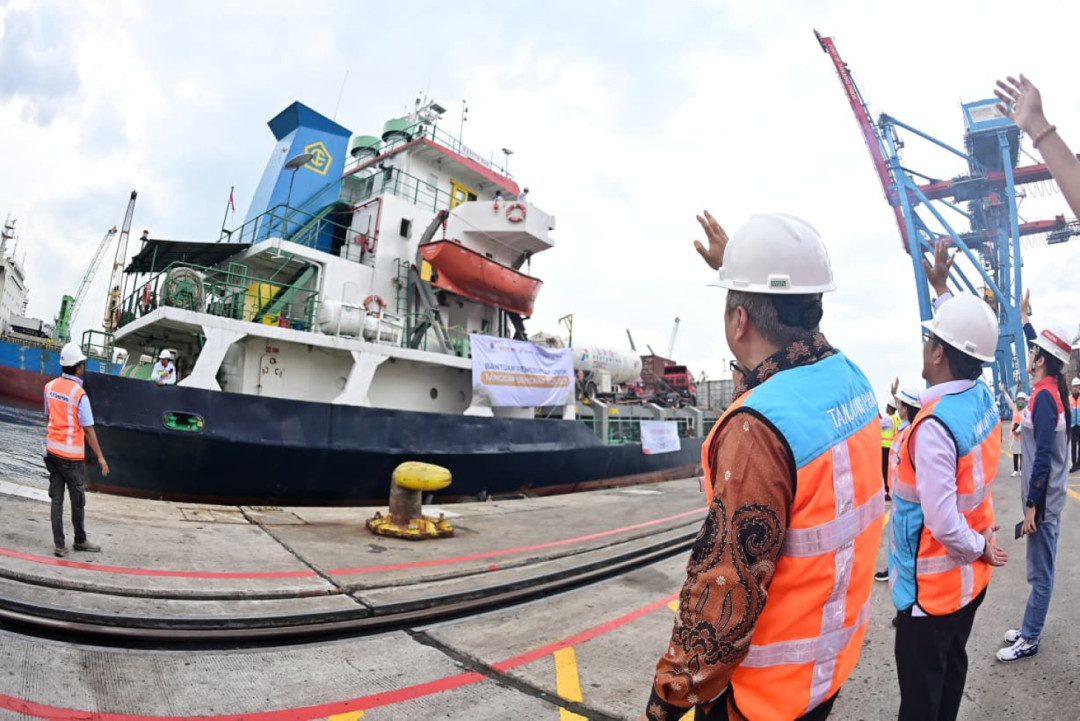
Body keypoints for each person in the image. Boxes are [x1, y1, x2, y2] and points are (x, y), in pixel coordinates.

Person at [642, 212, 884, 721]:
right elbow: (789, 332)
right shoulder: (852, 382)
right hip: (828, 664)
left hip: (765, 699)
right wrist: (743, 267)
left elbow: (723, 594)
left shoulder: (756, 429)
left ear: (738, 322)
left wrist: (668, 699)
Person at [889, 240, 1008, 721]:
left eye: (929, 339)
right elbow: (964, 342)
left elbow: (940, 521)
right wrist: (941, 289)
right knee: (949, 678)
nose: (925, 346)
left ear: (938, 353)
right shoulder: (980, 398)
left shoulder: (934, 427)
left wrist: (980, 546)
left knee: (920, 701)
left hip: (930, 598)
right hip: (968, 588)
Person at [997, 320, 1073, 662]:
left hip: (1043, 501)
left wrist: (1031, 507)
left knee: (1041, 573)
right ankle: (1030, 625)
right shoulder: (1051, 389)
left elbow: (1042, 457)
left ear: (1040, 360)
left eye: (1033, 351)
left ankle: (1030, 638)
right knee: (1039, 569)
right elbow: (1044, 353)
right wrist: (1027, 322)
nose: (1029, 355)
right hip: (1047, 498)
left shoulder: (1044, 398)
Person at [44, 343, 109, 557]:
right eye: (83, 364)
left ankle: (59, 545)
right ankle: (80, 540)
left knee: (56, 500)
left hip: (52, 453)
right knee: (78, 500)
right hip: (71, 458)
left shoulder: (49, 387)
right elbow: (89, 431)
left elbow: (49, 415)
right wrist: (100, 457)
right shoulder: (80, 395)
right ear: (78, 368)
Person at [874, 379, 922, 584]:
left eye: (900, 404)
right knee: (899, 540)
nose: (897, 407)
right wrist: (895, 395)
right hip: (899, 494)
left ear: (905, 408)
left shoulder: (910, 433)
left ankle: (903, 577)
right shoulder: (906, 427)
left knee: (902, 541)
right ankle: (898, 572)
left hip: (906, 499)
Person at [999, 386, 1027, 477]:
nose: (1021, 401)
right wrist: (1003, 391)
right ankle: (1015, 470)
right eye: (1019, 399)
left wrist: (1020, 430)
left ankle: (1022, 469)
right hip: (1014, 434)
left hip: (1022, 434)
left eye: (1022, 400)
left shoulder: (1026, 411)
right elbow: (1008, 400)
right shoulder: (1015, 408)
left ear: (1024, 401)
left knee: (1022, 452)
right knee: (1015, 452)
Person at [880, 400, 900, 500]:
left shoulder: (888, 420)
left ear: (891, 408)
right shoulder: (896, 418)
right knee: (890, 470)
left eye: (887, 406)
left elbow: (877, 423)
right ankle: (891, 490)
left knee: (885, 470)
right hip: (893, 447)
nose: (886, 408)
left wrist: (876, 411)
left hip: (885, 447)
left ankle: (888, 491)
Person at [1070, 378, 1080, 473]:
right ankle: (1074, 464)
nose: (1075, 388)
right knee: (1073, 445)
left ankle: (1079, 462)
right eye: (1074, 386)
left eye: (1077, 386)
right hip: (1072, 426)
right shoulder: (1069, 399)